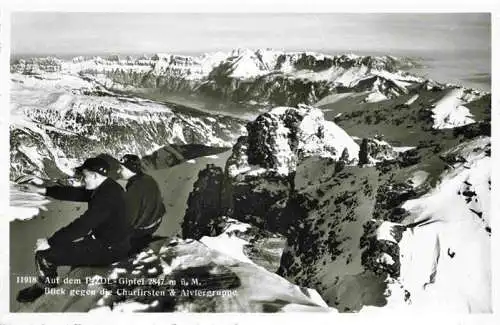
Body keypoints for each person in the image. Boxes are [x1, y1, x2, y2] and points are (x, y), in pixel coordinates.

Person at [16, 157, 132, 303]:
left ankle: (45, 287)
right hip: (111, 243)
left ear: (95, 175)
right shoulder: (107, 186)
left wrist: (50, 242)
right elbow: (76, 193)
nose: (83, 180)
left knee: (43, 255)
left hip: (109, 250)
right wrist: (41, 190)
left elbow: (82, 226)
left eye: (85, 176)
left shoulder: (107, 197)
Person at [118, 154, 166, 251]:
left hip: (143, 229)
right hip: (156, 221)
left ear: (130, 169)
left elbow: (129, 219)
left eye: (121, 168)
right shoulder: (148, 178)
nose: (119, 171)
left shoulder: (134, 188)